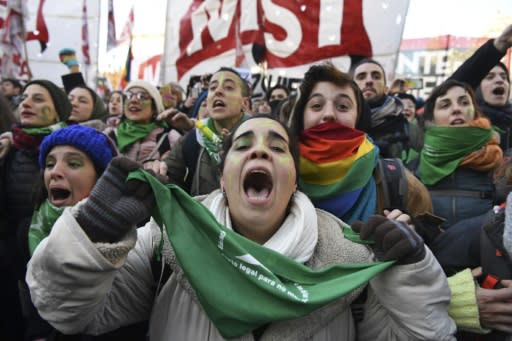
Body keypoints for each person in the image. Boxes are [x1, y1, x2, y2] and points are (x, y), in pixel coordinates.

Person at [26, 114, 456, 340]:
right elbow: (67, 312)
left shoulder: (352, 261)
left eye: (277, 147)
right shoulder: (163, 242)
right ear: (225, 172)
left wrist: (411, 274)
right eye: (243, 146)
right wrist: (94, 233)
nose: (260, 154)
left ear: (293, 178)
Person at [290, 62, 432, 224]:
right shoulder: (277, 179)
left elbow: (433, 242)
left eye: (343, 106)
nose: (329, 114)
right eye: (316, 106)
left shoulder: (405, 187)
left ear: (358, 118)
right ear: (301, 117)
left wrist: (415, 239)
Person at [0, 79, 71, 340]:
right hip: (13, 271)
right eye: (24, 98)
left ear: (58, 112)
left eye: (38, 99)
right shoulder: (9, 150)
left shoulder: (75, 151)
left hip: (58, 274)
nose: (26, 103)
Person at [418, 79, 503, 229]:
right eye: (445, 105)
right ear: (431, 119)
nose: (456, 109)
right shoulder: (414, 169)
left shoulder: (499, 164)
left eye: (464, 103)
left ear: (475, 112)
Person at [155, 67, 251, 196]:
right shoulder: (193, 138)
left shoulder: (260, 136)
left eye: (228, 87)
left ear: (244, 103)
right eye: (212, 88)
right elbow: (169, 182)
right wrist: (156, 172)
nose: (218, 91)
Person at [449, 24, 512, 152]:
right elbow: (450, 89)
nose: (499, 80)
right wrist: (497, 47)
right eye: (490, 77)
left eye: (504, 77)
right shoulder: (462, 121)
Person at [351, 59, 423, 160]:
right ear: (351, 87)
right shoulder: (341, 125)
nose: (369, 81)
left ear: (385, 87)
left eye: (376, 77)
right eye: (361, 77)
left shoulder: (409, 130)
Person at [104, 80, 174, 164]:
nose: (133, 100)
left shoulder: (169, 138)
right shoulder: (108, 135)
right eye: (128, 95)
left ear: (155, 108)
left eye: (142, 96)